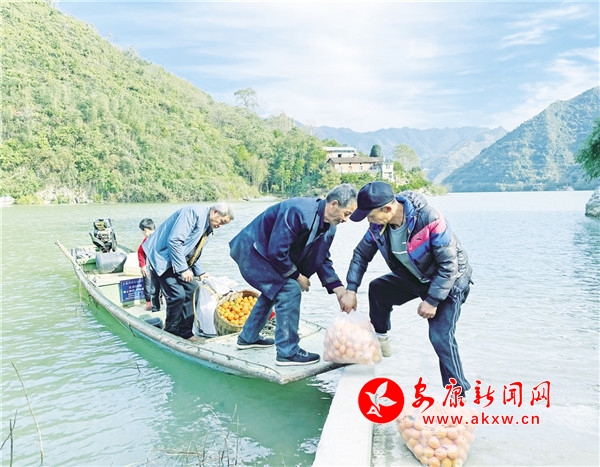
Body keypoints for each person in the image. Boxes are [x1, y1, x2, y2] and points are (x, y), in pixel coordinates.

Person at [340, 181, 473, 393]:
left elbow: (449, 265)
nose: (368, 220)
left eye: (370, 215)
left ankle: (458, 393)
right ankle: (380, 337)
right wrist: (351, 289)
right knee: (378, 288)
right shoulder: (378, 226)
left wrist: (432, 301)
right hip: (415, 277)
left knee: (440, 337)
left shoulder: (430, 219)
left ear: (387, 209)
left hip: (449, 282)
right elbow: (360, 255)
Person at [230, 184, 358, 366]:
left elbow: (322, 258)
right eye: (346, 214)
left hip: (270, 256)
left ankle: (247, 338)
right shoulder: (298, 210)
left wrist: (339, 289)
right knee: (289, 290)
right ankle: (287, 352)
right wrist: (297, 276)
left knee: (274, 290)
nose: (346, 220)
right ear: (334, 204)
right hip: (252, 251)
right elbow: (277, 250)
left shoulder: (330, 228)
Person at [143, 202, 234, 341]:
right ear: (215, 212)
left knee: (193, 289)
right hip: (161, 256)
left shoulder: (207, 226)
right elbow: (174, 241)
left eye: (224, 224)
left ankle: (185, 333)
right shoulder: (193, 213)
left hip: (176, 259)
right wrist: (183, 269)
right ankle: (171, 332)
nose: (220, 226)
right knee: (177, 295)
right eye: (221, 221)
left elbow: (192, 250)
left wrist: (200, 272)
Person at [137, 218, 161, 312]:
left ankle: (164, 304)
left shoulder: (160, 236)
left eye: (142, 231)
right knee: (152, 288)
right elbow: (140, 251)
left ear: (145, 230)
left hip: (162, 268)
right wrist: (142, 265)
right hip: (152, 268)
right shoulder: (146, 240)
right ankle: (153, 307)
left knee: (165, 289)